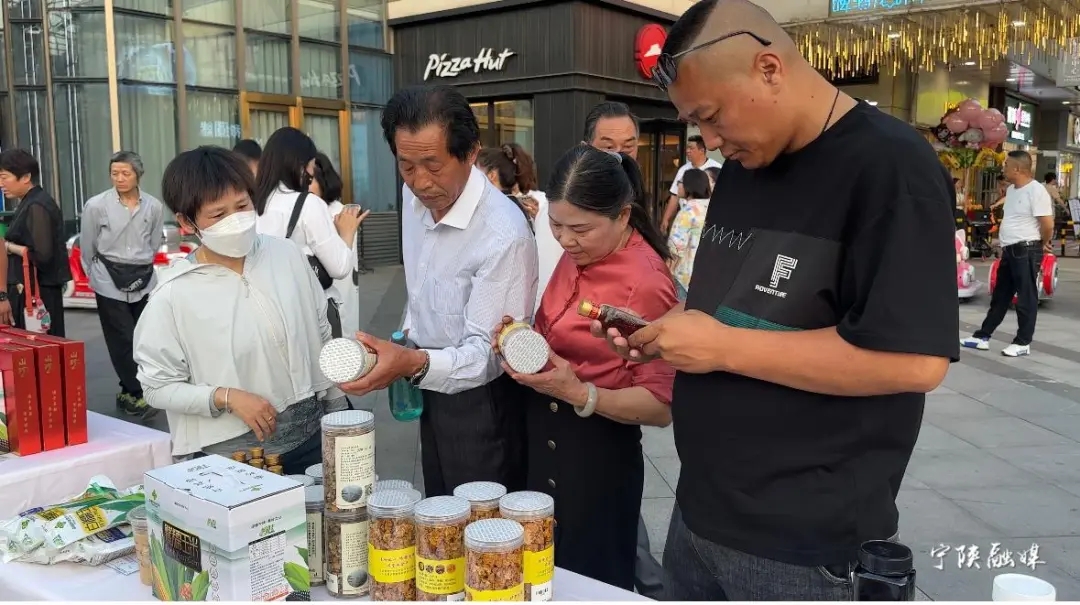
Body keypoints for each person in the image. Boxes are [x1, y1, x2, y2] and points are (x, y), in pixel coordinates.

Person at [596, 0, 958, 600]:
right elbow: (733, 304)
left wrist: (722, 348)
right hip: (700, 510)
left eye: (712, 116)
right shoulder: (745, 165)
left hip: (803, 544)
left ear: (769, 68)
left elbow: (915, 362)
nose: (711, 141)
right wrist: (667, 333)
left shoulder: (892, 167)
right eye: (696, 126)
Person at [338, 84, 538, 497]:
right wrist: (403, 342)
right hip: (428, 380)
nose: (420, 182)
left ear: (471, 153)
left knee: (480, 518)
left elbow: (487, 355)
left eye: (433, 165)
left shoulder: (503, 233)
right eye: (407, 166)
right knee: (438, 506)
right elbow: (421, 287)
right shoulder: (414, 198)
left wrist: (410, 362)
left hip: (482, 402)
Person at [493, 145, 676, 590]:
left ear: (623, 215)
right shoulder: (580, 254)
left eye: (580, 229)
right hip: (543, 436)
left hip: (596, 454)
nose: (565, 239)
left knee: (590, 581)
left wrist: (580, 392)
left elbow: (661, 406)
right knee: (540, 574)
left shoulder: (645, 281)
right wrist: (519, 339)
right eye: (555, 225)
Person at [133, 146, 346, 470]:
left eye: (243, 206)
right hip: (234, 460)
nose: (235, 221)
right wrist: (225, 397)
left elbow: (321, 331)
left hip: (312, 439)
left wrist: (338, 409)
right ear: (187, 222)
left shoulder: (287, 255)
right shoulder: (173, 293)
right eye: (218, 215)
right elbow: (156, 387)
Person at [253, 127, 365, 338]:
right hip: (312, 315)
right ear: (299, 165)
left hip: (268, 315)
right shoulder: (309, 205)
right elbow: (340, 267)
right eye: (311, 165)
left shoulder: (253, 205)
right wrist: (347, 232)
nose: (312, 174)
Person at [80, 151, 166, 420]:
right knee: (122, 338)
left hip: (143, 277)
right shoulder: (96, 205)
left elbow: (154, 242)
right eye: (114, 173)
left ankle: (127, 390)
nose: (119, 178)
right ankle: (138, 392)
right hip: (108, 278)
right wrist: (95, 274)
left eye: (125, 173)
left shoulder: (153, 206)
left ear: (138, 175)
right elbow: (87, 245)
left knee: (143, 337)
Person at [962, 151, 1054, 358]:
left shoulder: (1036, 191)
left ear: (1017, 169)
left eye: (1006, 165)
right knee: (1001, 295)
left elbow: (1047, 223)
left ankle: (1023, 342)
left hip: (1026, 249)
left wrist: (1043, 242)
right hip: (1010, 249)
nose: (1003, 168)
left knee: (1026, 296)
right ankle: (982, 336)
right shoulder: (1012, 190)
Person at [0, 149, 71, 337]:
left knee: (40, 345)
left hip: (38, 293)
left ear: (25, 177)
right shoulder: (30, 202)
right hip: (30, 290)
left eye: (4, 177)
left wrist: (8, 247)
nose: (1, 184)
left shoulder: (37, 205)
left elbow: (42, 255)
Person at [310, 152, 360, 338]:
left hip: (335, 303)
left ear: (323, 180)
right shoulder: (327, 211)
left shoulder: (335, 214)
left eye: (309, 179)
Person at [661, 135, 723, 232]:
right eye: (687, 148)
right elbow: (674, 196)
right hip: (687, 219)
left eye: (691, 148)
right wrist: (666, 219)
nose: (687, 151)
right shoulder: (683, 170)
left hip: (708, 222)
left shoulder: (716, 169)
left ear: (702, 150)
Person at [667, 168, 710, 292]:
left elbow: (676, 249)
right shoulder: (710, 207)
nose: (677, 185)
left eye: (680, 182)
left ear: (688, 185)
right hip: (707, 274)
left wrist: (667, 274)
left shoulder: (687, 212)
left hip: (685, 277)